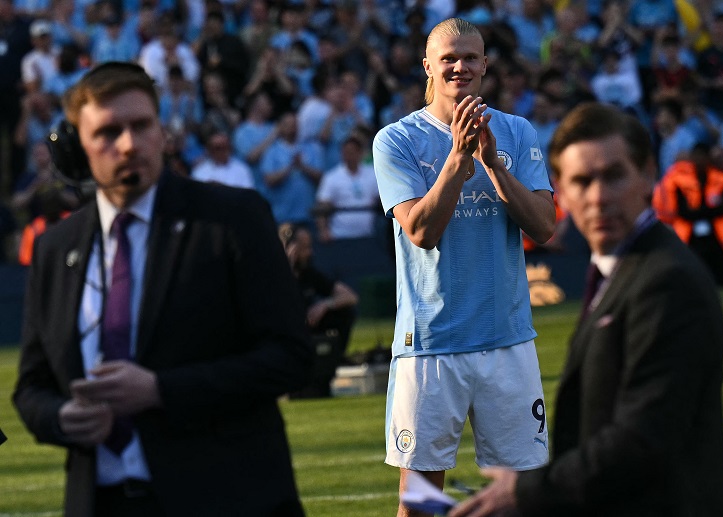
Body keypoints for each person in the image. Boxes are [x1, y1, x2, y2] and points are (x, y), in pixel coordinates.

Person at [13, 62, 312, 517]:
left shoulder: (232, 219)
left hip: (227, 499)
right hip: (102, 502)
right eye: (109, 132)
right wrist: (59, 418)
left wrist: (161, 390)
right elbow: (32, 386)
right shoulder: (57, 249)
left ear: (163, 132)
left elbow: (290, 357)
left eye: (142, 125)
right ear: (79, 149)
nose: (130, 144)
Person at [449, 102, 723, 517]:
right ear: (561, 193)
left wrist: (528, 492)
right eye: (582, 181)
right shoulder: (619, 269)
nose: (599, 196)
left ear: (648, 176)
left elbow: (643, 439)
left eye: (613, 176)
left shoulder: (665, 281)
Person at [372, 18, 556, 517]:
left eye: (470, 57)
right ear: (427, 65)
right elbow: (421, 231)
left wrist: (495, 163)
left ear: (485, 65)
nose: (460, 67)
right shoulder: (397, 140)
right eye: (448, 58)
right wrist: (458, 157)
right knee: (422, 503)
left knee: (522, 496)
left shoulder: (516, 132)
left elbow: (544, 226)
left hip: (508, 342)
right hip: (430, 347)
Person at [279, 222, 359, 398]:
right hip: (283, 332)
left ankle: (330, 365)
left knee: (343, 314)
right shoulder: (273, 274)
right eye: (304, 248)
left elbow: (350, 296)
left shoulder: (309, 273)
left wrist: (324, 305)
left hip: (308, 327)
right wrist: (287, 270)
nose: (310, 253)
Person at [653, 142, 723, 286]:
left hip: (718, 238)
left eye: (702, 156)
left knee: (721, 277)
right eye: (695, 156)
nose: (698, 160)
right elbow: (682, 211)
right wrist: (708, 211)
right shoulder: (680, 178)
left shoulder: (720, 177)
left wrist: (698, 212)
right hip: (690, 237)